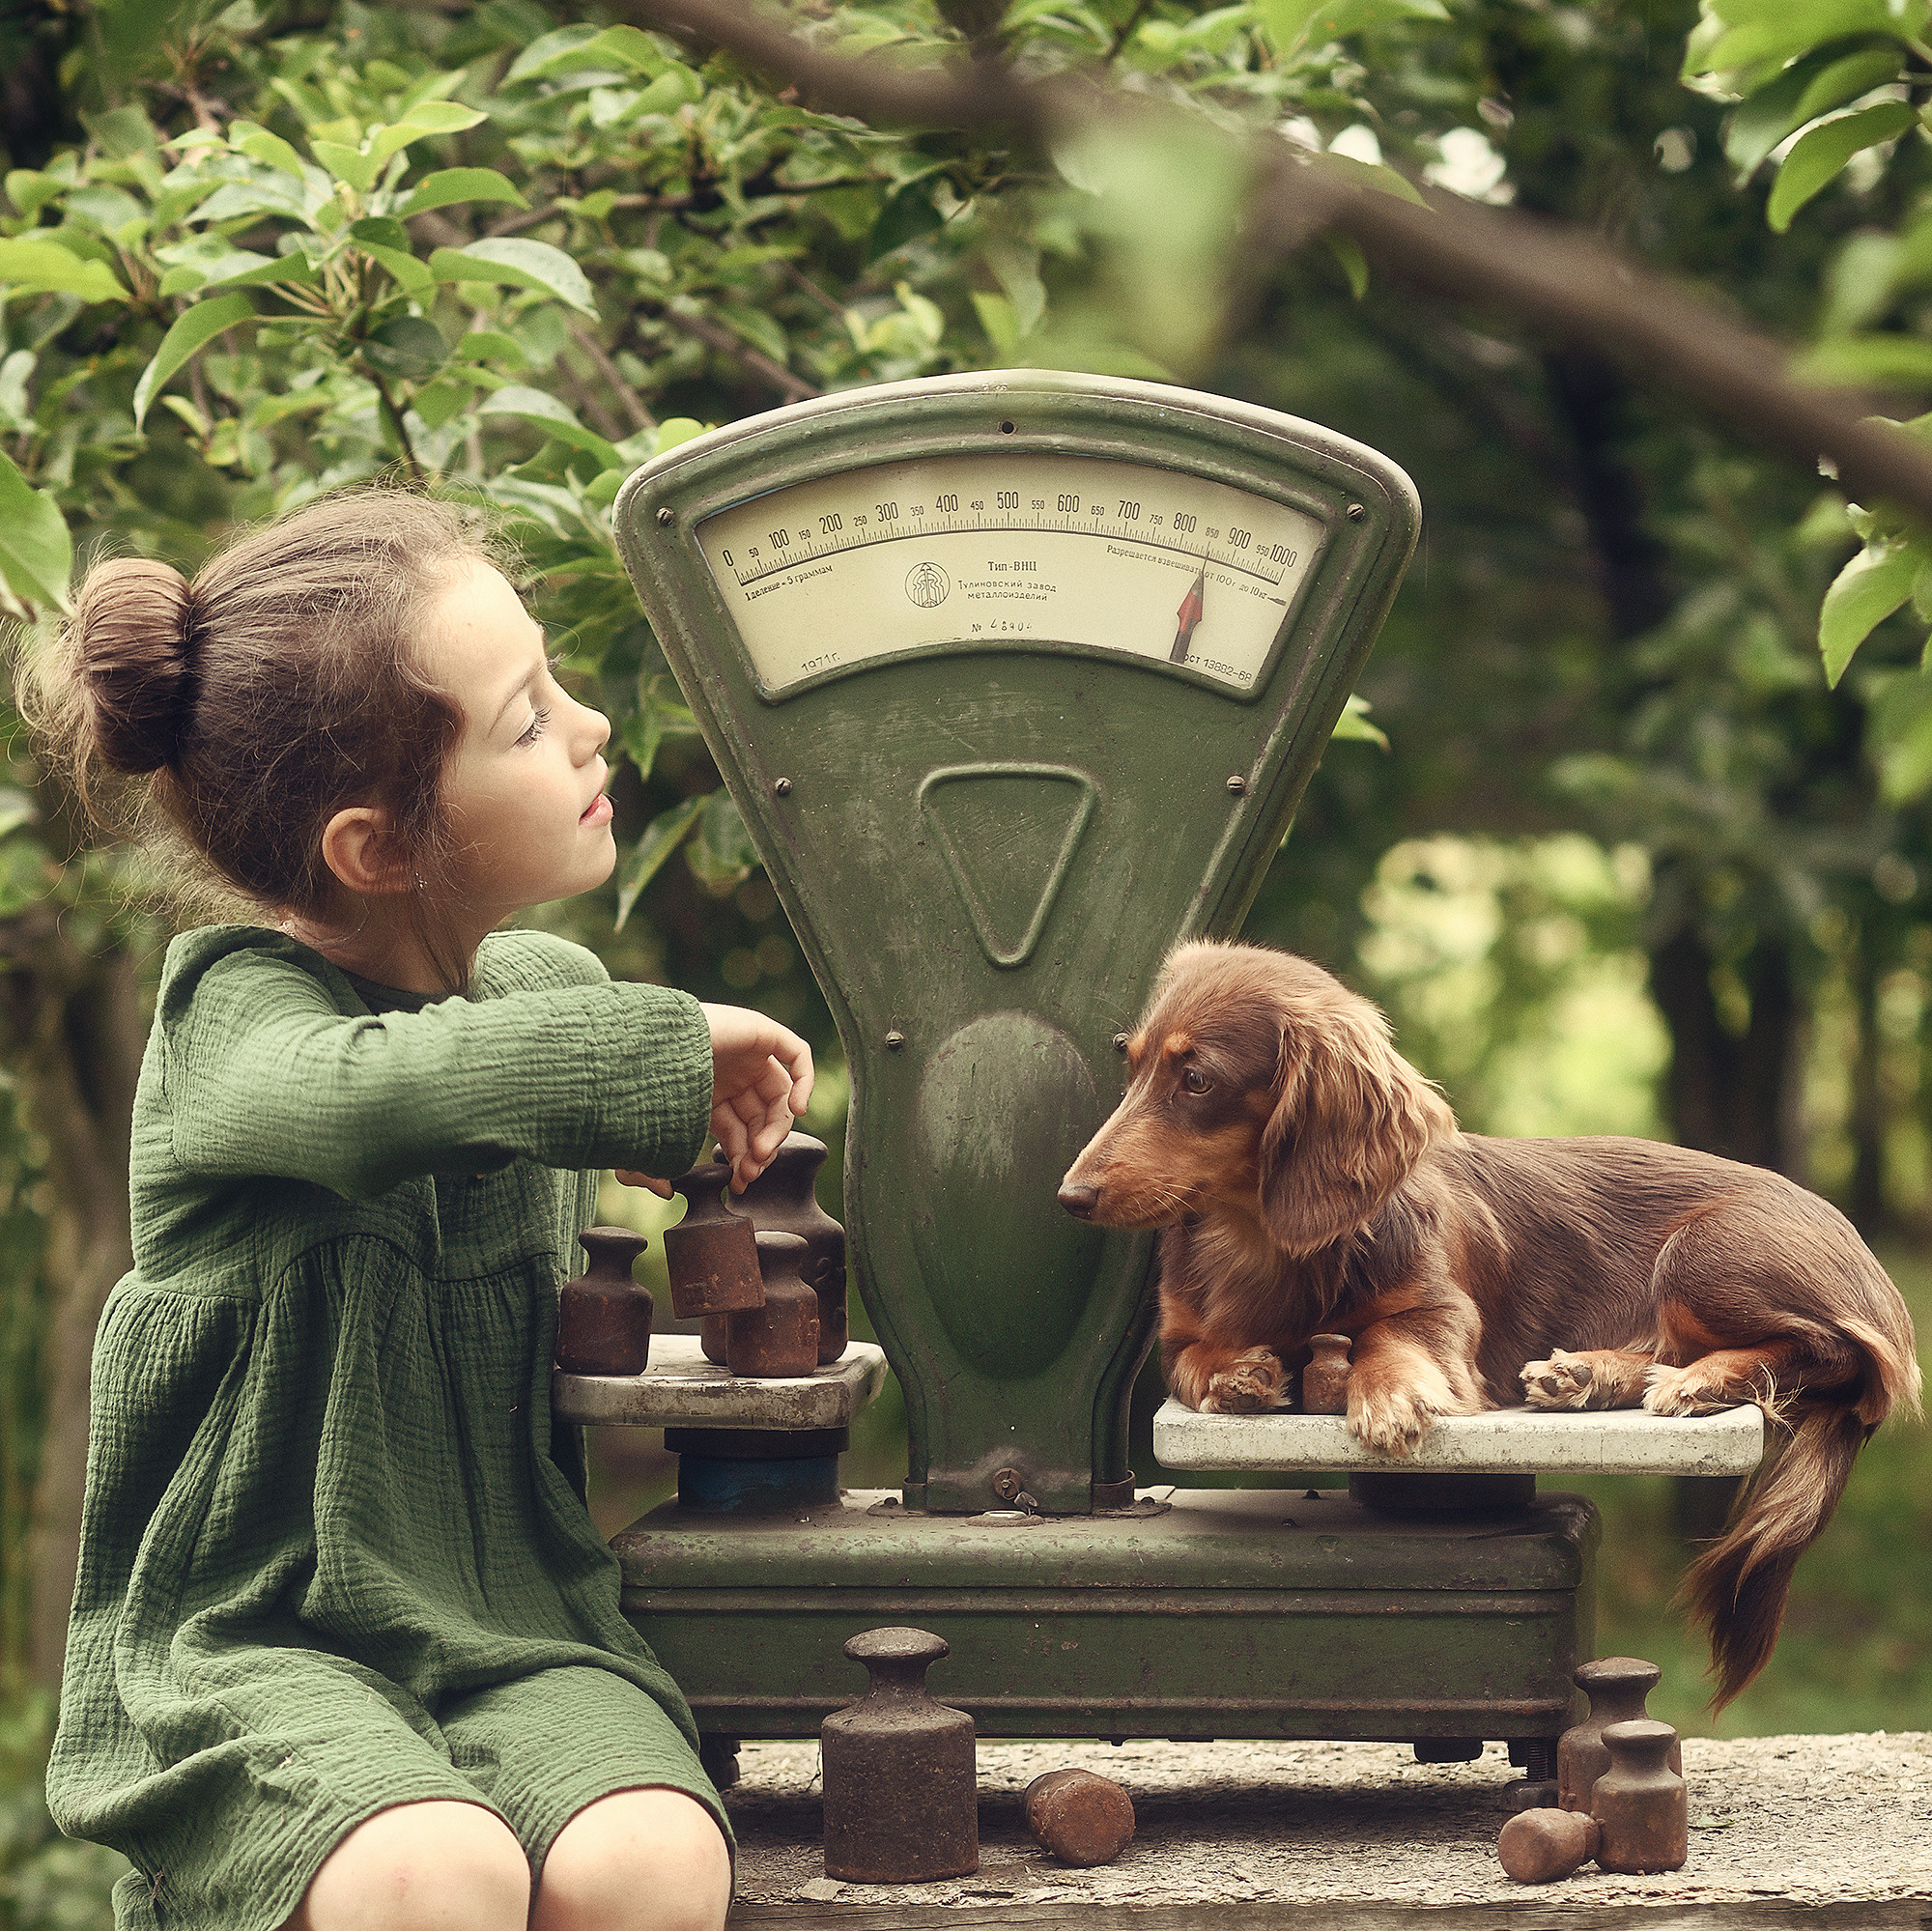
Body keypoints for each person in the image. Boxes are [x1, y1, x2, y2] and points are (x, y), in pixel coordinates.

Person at [21, 490, 813, 1931]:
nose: (586, 729)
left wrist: (685, 1121)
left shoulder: (546, 1004)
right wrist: (659, 1046)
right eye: (523, 722)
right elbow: (362, 1095)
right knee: (429, 1875)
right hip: (251, 1639)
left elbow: (512, 1069)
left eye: (556, 681)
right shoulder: (232, 1019)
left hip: (511, 1623)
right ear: (374, 849)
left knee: (652, 1859)